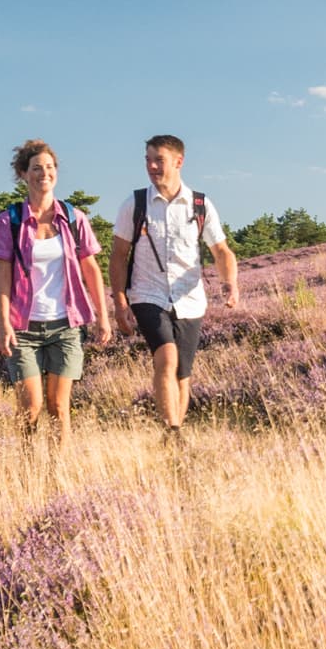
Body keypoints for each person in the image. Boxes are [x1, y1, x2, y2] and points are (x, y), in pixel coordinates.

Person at [111, 132, 239, 435]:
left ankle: (174, 435)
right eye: (148, 160)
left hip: (190, 299)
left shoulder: (200, 205)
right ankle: (172, 430)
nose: (152, 167)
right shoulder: (135, 204)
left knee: (183, 374)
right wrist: (120, 301)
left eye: (159, 160)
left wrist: (230, 283)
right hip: (147, 295)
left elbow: (221, 250)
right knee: (166, 358)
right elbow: (118, 256)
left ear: (179, 162)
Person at [0, 139, 109, 445]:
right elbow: (3, 276)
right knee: (31, 407)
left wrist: (103, 317)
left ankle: (57, 476)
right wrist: (3, 324)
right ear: (24, 174)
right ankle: (29, 472)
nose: (45, 173)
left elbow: (91, 270)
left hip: (66, 326)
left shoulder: (73, 218)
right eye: (37, 168)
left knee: (59, 407)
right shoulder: (10, 221)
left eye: (50, 167)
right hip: (23, 328)